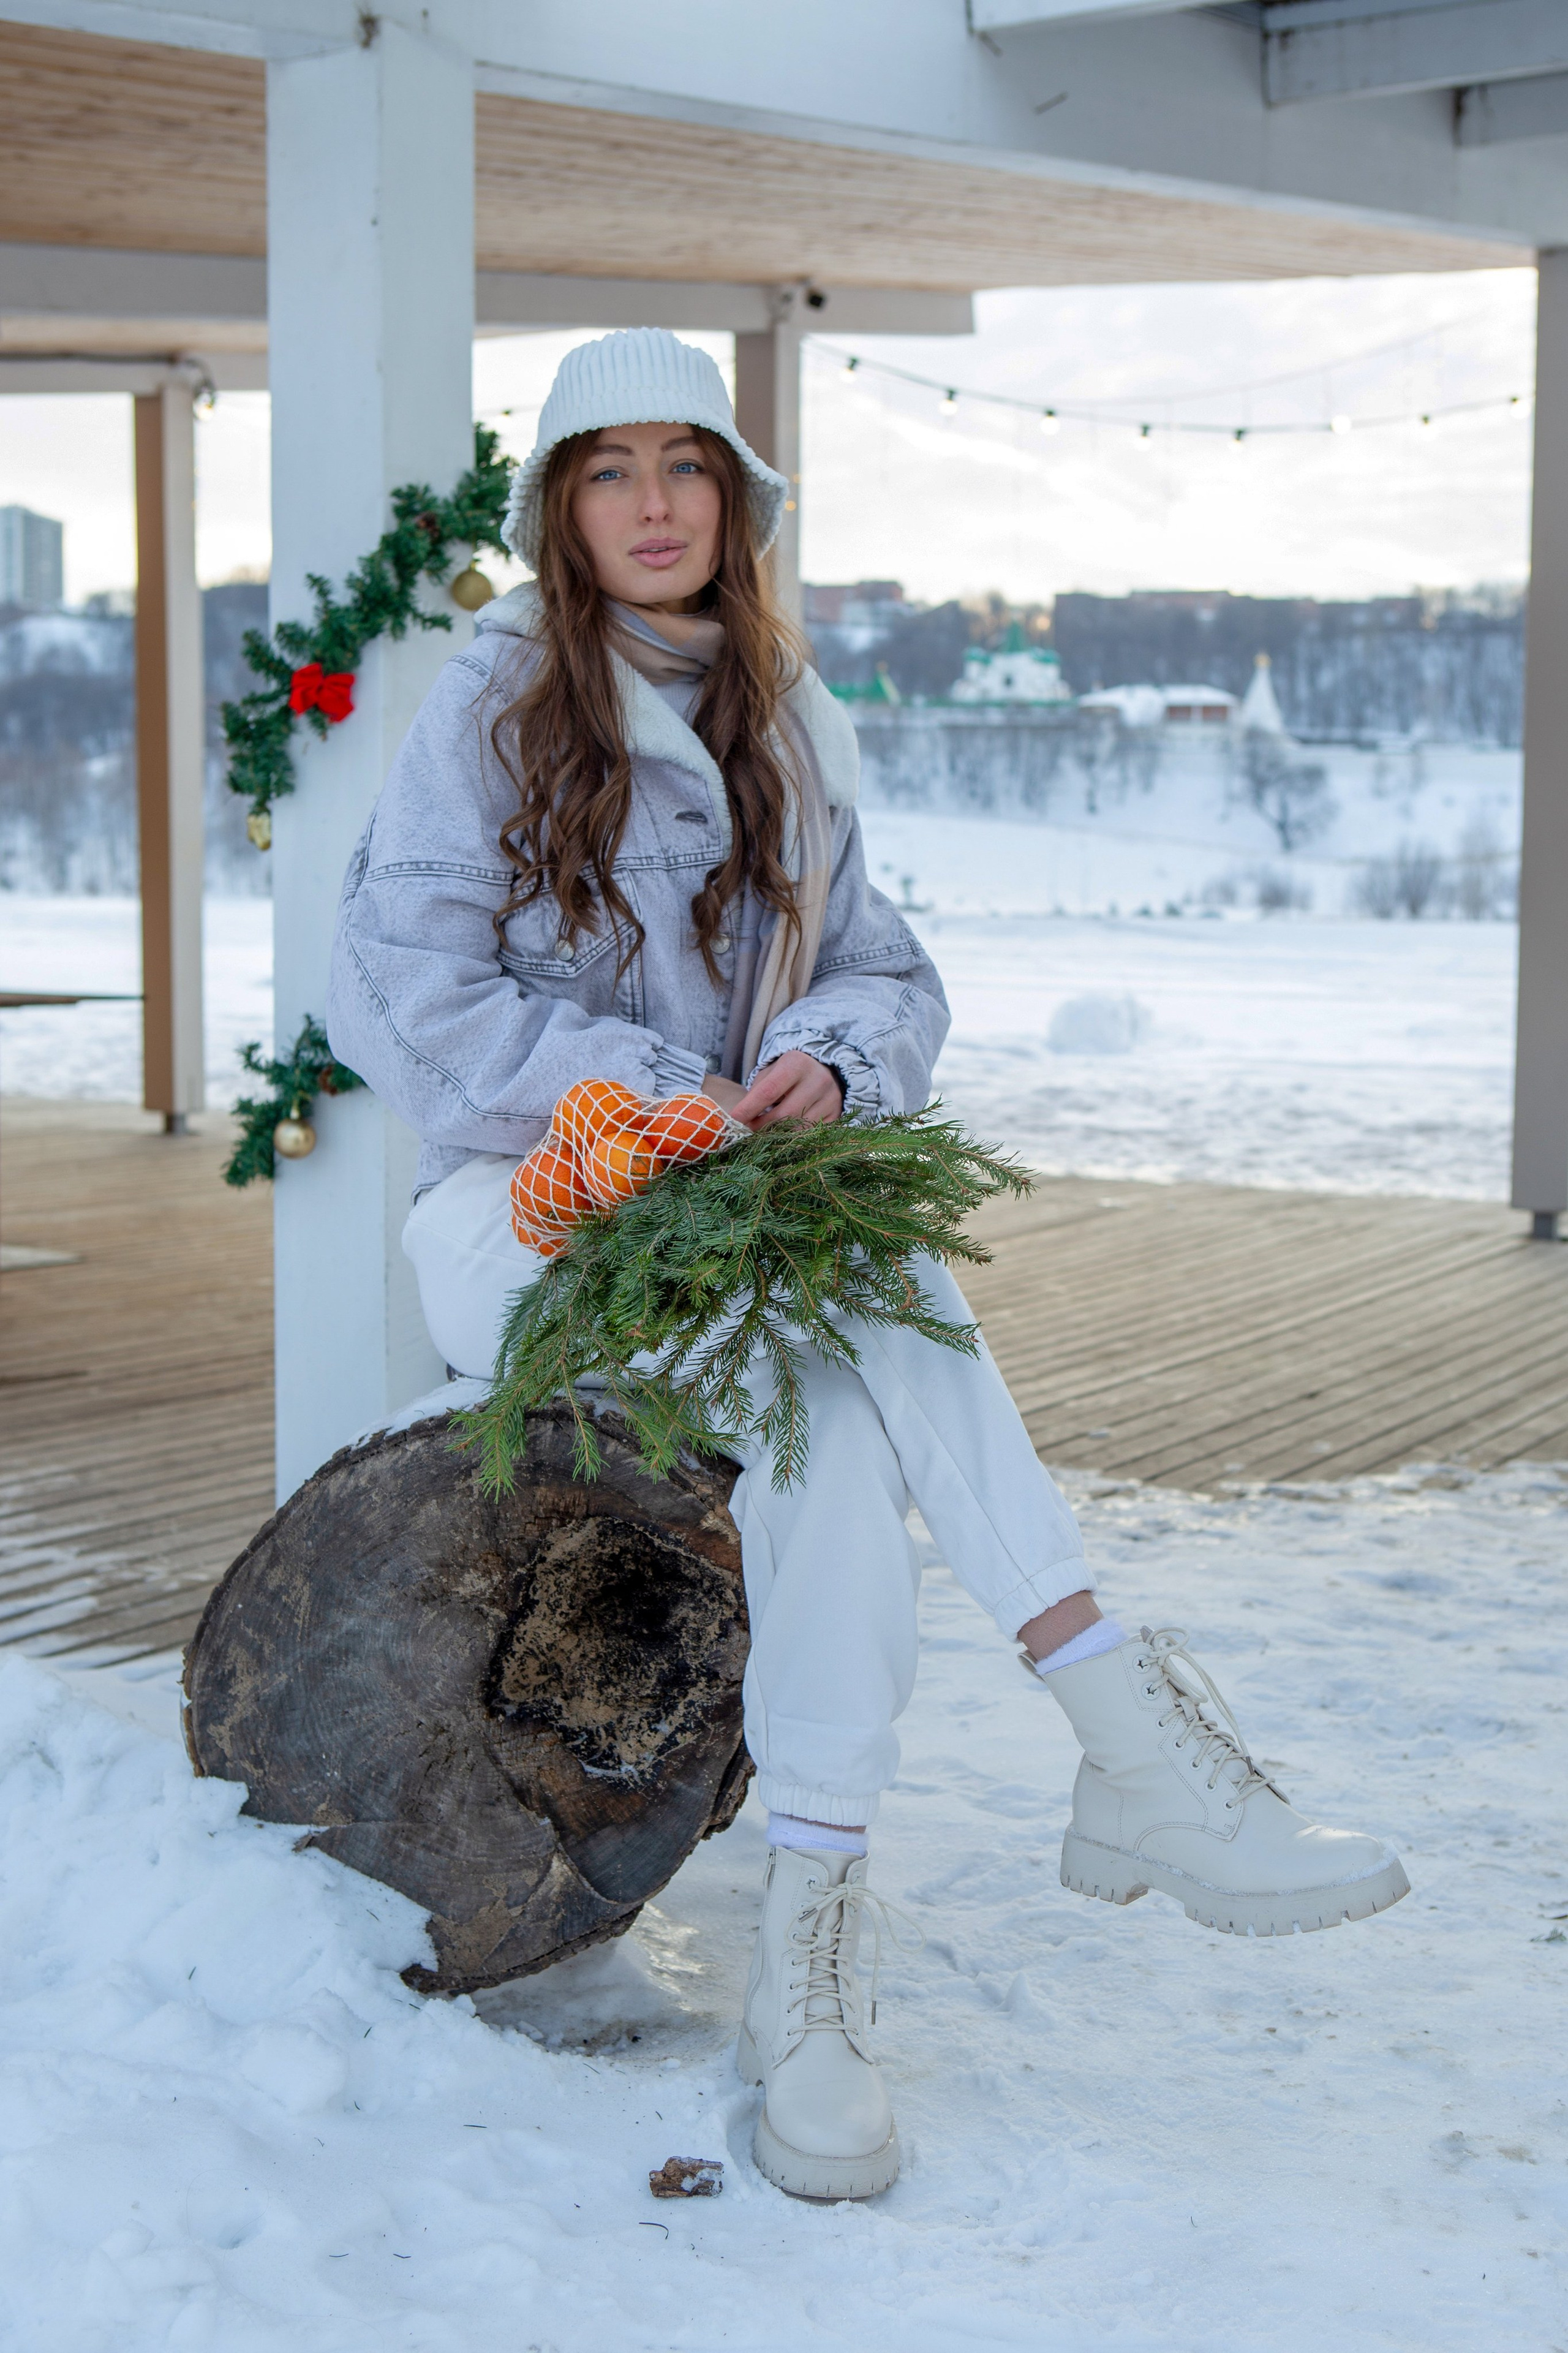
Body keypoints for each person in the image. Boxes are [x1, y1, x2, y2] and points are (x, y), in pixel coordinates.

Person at [327, 329, 1408, 2205]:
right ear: (560, 507)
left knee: (826, 1418)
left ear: (734, 499)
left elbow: (887, 970)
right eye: (610, 469)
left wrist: (831, 1058)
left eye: (686, 465)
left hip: (748, 1214)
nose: (653, 504)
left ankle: (811, 1970)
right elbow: (397, 988)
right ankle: (1119, 1720)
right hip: (529, 1204)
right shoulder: (497, 697)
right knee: (857, 1309)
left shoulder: (788, 712)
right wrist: (646, 1086)